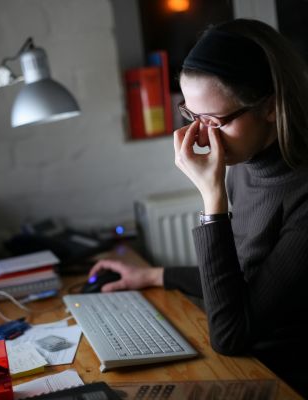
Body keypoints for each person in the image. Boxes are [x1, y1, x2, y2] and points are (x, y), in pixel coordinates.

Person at [90, 19, 308, 397]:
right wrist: (154, 275)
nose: (204, 136)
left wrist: (213, 200)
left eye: (214, 120)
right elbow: (242, 278)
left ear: (270, 106)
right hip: (253, 367)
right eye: (192, 116)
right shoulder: (249, 163)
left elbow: (231, 335)